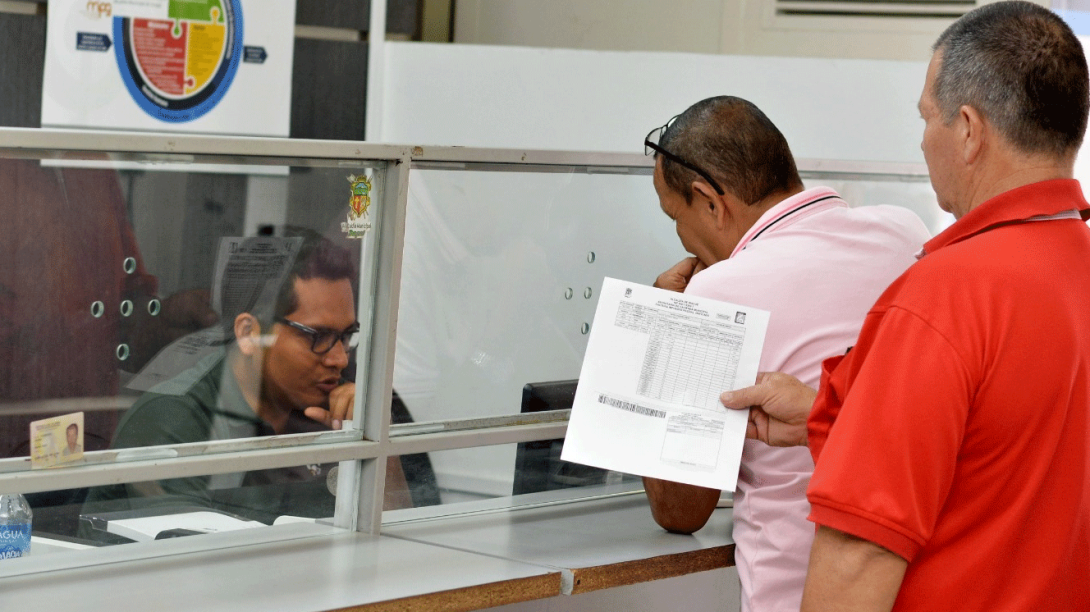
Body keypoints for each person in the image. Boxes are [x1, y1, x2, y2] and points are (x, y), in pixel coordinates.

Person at [720, 3, 1090, 610]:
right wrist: (829, 416)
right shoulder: (1072, 269)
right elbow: (1003, 455)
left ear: (969, 130)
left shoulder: (944, 298)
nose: (923, 140)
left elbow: (860, 553)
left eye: (926, 118)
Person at [640, 96, 930, 612]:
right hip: (906, 584)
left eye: (675, 217)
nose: (681, 237)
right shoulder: (903, 233)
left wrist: (667, 322)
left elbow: (680, 509)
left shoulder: (719, 292)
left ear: (710, 200)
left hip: (795, 595)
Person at [84, 231, 437, 527]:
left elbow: (400, 548)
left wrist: (376, 439)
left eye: (347, 336)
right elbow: (193, 576)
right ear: (249, 334)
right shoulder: (173, 420)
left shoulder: (338, 400)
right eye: (317, 336)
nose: (339, 358)